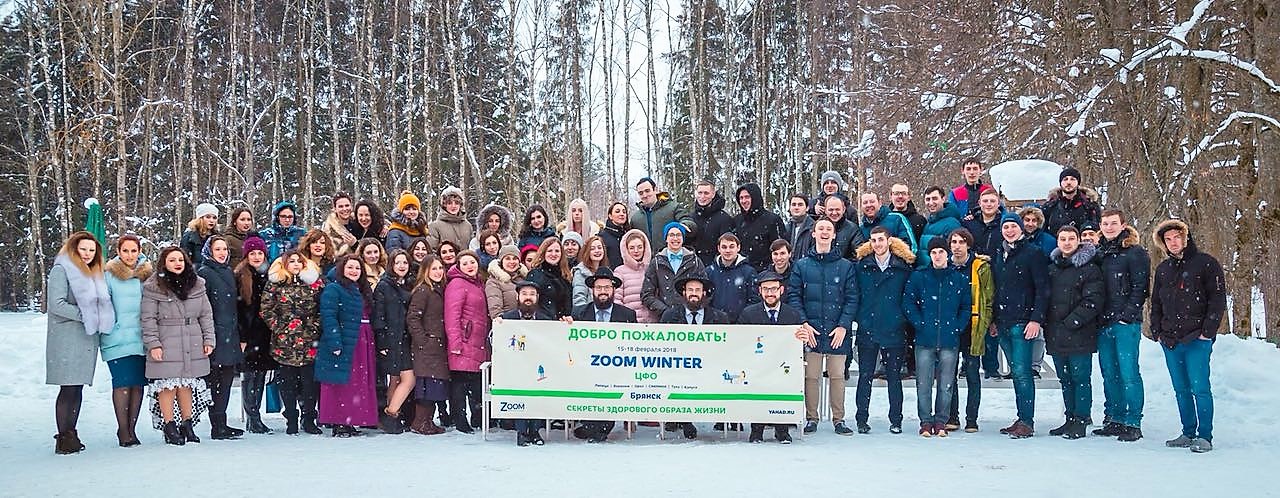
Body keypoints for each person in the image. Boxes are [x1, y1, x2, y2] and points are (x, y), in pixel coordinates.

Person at [1150, 219, 1225, 453]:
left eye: (1176, 237)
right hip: (1170, 339)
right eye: (1168, 239)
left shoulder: (1205, 264)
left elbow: (1217, 299)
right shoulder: (1163, 269)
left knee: (1200, 387)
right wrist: (1158, 332)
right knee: (1180, 388)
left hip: (1197, 338)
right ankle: (1188, 431)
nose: (1173, 243)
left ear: (1185, 237)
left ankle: (1205, 435)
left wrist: (1207, 332)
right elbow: (1156, 303)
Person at [788, 219, 858, 435]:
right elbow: (794, 295)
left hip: (837, 331)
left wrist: (844, 325)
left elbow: (852, 297)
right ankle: (811, 417)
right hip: (812, 331)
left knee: (837, 376)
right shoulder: (802, 265)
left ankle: (839, 419)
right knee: (811, 376)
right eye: (821, 229)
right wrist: (804, 323)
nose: (825, 232)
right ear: (814, 234)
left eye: (829, 229)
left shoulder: (846, 266)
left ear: (834, 235)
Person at [47, 231, 114, 454]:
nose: (87, 254)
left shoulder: (93, 273)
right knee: (67, 388)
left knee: (77, 388)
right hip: (67, 337)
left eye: (91, 250)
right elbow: (56, 304)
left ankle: (71, 432)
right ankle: (63, 436)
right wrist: (86, 314)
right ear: (74, 249)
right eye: (83, 249)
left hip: (85, 338)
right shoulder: (61, 270)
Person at [141, 246, 215, 446]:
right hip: (167, 338)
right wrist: (153, 344)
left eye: (180, 260)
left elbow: (206, 315)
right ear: (164, 263)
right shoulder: (153, 286)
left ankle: (187, 423)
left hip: (192, 338)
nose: (177, 264)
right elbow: (148, 319)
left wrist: (209, 339)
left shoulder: (197, 285)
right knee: (168, 385)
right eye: (172, 260)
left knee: (186, 384)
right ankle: (169, 424)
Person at [903, 237, 970, 437]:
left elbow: (966, 306)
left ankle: (941, 420)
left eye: (941, 252)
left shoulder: (958, 278)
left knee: (946, 384)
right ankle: (925, 421)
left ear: (947, 254)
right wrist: (919, 323)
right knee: (923, 384)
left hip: (949, 339)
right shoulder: (919, 276)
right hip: (925, 339)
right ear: (929, 255)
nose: (937, 256)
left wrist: (957, 326)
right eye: (934, 252)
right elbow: (909, 303)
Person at [992, 212, 1051, 439]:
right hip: (1004, 321)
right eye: (1005, 227)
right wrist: (994, 320)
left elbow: (1042, 289)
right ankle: (1021, 417)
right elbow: (997, 289)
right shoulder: (999, 254)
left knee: (1022, 371)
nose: (1009, 230)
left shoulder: (1032, 253)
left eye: (1013, 227)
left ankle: (1027, 420)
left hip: (1024, 321)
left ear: (1021, 229)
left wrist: (1036, 319)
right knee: (1016, 373)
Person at [852, 227, 915, 434]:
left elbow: (908, 298)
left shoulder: (902, 268)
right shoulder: (862, 267)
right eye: (873, 240)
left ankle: (896, 419)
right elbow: (856, 295)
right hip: (868, 328)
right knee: (865, 376)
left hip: (893, 329)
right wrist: (861, 317)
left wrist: (900, 319)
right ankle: (862, 418)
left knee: (894, 377)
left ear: (889, 241)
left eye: (881, 240)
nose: (877, 244)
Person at [1093, 210, 1150, 441]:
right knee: (1109, 372)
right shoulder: (1099, 253)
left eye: (1113, 223)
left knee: (1128, 372)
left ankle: (1133, 421)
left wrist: (1127, 315)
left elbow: (1140, 288)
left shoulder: (1134, 252)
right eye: (1105, 223)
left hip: (1126, 322)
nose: (1109, 227)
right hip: (1103, 321)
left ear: (1123, 225)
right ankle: (1114, 418)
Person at [1045, 226, 1104, 440]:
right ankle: (1069, 418)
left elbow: (1093, 300)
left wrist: (1072, 321)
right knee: (1065, 379)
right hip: (1056, 332)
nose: (1067, 242)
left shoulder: (1089, 268)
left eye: (1071, 239)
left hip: (1079, 332)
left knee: (1080, 378)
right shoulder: (1052, 268)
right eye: (1063, 239)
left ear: (1079, 241)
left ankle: (1081, 419)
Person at [259, 250, 323, 435]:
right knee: (287, 383)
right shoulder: (275, 284)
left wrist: (313, 327)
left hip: (309, 342)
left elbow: (322, 308)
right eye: (291, 261)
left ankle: (309, 417)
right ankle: (291, 418)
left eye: (299, 261)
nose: (295, 264)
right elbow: (266, 309)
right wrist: (280, 327)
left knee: (309, 383)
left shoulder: (314, 284)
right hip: (284, 343)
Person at [571, 268, 638, 443]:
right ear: (592, 290)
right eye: (599, 287)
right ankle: (592, 427)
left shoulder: (627, 315)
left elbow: (634, 346)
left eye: (607, 287)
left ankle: (598, 429)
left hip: (616, 371)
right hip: (586, 369)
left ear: (613, 289)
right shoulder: (579, 313)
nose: (603, 291)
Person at [659, 275, 728, 439]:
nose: (694, 294)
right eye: (690, 290)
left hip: (711, 370)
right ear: (683, 292)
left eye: (698, 290)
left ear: (704, 293)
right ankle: (682, 419)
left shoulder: (720, 319)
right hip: (678, 372)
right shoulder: (670, 317)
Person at [317, 255, 379, 437]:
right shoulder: (334, 289)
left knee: (357, 382)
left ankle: (352, 419)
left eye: (357, 268)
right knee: (341, 382)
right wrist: (335, 342)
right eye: (350, 267)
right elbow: (329, 317)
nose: (354, 271)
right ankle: (338, 422)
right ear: (342, 269)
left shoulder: (361, 289)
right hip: (345, 339)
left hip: (363, 339)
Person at [737, 271, 802, 444]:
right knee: (758, 392)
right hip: (757, 366)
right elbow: (741, 341)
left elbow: (796, 344)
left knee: (782, 391)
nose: (770, 293)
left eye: (773, 289)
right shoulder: (748, 314)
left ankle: (782, 431)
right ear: (760, 291)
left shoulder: (793, 315)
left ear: (781, 290)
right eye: (765, 289)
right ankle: (756, 431)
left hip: (783, 365)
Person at [101, 234, 150, 448]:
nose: (130, 255)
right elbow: (102, 305)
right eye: (125, 251)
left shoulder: (146, 274)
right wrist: (112, 326)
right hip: (117, 337)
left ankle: (132, 427)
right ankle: (123, 429)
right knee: (122, 384)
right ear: (118, 252)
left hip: (141, 338)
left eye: (133, 250)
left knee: (138, 385)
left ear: (139, 251)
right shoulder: (109, 275)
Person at [496, 280, 556, 446]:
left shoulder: (546, 320)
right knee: (520, 392)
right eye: (524, 294)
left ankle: (535, 431)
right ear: (517, 296)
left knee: (539, 392)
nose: (528, 298)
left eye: (532, 294)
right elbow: (493, 342)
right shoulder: (506, 319)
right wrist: (498, 328)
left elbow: (554, 344)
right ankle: (522, 432)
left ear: (537, 297)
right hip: (514, 369)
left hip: (539, 369)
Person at [945, 228, 993, 433]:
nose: (957, 246)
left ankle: (971, 418)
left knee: (972, 373)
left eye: (961, 242)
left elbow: (988, 298)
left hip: (973, 327)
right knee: (949, 374)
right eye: (953, 242)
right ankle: (951, 415)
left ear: (968, 245)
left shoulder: (980, 267)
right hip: (951, 327)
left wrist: (988, 322)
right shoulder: (944, 265)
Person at [197, 236, 245, 440]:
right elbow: (202, 308)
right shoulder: (204, 273)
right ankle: (216, 424)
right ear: (210, 251)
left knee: (225, 380)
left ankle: (221, 423)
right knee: (215, 381)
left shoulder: (227, 271)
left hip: (230, 334)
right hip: (214, 334)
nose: (222, 252)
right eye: (218, 249)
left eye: (224, 249)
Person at [443, 251, 492, 434]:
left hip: (477, 343)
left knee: (474, 382)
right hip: (463, 342)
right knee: (460, 384)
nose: (470, 266)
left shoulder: (478, 284)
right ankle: (460, 419)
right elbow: (452, 315)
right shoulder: (457, 284)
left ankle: (477, 418)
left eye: (472, 262)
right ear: (458, 266)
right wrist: (455, 343)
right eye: (465, 263)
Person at [235, 235, 278, 434]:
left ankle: (256, 415)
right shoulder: (241, 276)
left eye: (260, 253)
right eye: (252, 253)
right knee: (250, 376)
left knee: (260, 375)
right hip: (248, 334)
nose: (257, 256)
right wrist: (242, 336)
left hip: (265, 333)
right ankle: (252, 416)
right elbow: (239, 309)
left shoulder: (270, 275)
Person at [372, 249, 416, 435]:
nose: (401, 266)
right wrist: (381, 342)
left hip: (405, 338)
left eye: (405, 263)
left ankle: (391, 417)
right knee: (408, 379)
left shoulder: (408, 284)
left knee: (397, 379)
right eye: (398, 263)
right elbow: (378, 315)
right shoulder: (384, 285)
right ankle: (390, 414)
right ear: (391, 264)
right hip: (391, 338)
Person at [406, 255, 451, 435]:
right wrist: (423, 340)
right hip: (427, 346)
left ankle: (428, 421)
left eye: (440, 268)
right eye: (434, 268)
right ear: (425, 271)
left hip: (437, 345)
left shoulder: (438, 289)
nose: (438, 272)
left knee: (434, 386)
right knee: (427, 386)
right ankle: (420, 422)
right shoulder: (423, 291)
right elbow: (413, 317)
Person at [641, 222, 707, 318]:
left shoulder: (694, 261)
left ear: (683, 238)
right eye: (671, 235)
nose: (675, 238)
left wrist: (691, 309)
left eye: (678, 235)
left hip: (690, 317)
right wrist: (665, 311)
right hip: (665, 318)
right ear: (666, 238)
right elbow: (646, 294)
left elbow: (705, 290)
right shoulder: (656, 262)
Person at [630, 177, 697, 248]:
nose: (645, 195)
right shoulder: (635, 219)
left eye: (647, 191)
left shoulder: (673, 207)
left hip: (669, 256)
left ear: (655, 190)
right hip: (647, 258)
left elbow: (688, 222)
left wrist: (684, 225)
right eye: (641, 193)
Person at [706, 233, 758, 323]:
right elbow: (705, 299)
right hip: (714, 324)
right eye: (724, 247)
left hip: (741, 324)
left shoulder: (749, 272)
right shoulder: (709, 271)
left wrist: (743, 318)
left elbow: (754, 299)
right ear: (719, 249)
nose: (728, 250)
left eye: (731, 246)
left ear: (738, 248)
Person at [733, 183, 784, 271]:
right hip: (741, 272)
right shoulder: (737, 220)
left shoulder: (772, 220)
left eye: (747, 197)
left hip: (766, 273)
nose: (744, 201)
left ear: (755, 197)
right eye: (741, 198)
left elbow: (780, 248)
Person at [1041, 167, 1101, 235]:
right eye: (1065, 179)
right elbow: (1042, 231)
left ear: (1078, 182)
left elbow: (1097, 230)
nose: (1068, 182)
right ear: (1060, 183)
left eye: (1072, 179)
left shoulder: (1090, 205)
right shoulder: (1050, 206)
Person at [615, 229, 656, 323]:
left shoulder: (652, 269)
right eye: (632, 248)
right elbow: (617, 300)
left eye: (640, 247)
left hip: (652, 324)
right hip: (630, 325)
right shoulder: (619, 271)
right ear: (626, 250)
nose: (636, 251)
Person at [689, 179, 734, 266]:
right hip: (694, 266)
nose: (702, 196)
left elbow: (726, 245)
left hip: (716, 267)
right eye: (700, 193)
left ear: (713, 194)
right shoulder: (691, 218)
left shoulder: (724, 218)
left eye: (706, 193)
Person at [526, 238, 574, 318]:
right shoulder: (534, 274)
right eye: (550, 251)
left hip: (560, 324)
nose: (553, 254)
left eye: (557, 251)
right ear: (543, 252)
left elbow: (568, 304)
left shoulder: (565, 277)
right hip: (540, 323)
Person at [915, 186, 962, 266]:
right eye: (928, 199)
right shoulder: (928, 223)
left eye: (934, 198)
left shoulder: (952, 224)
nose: (931, 202)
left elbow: (954, 253)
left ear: (943, 199)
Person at [485, 245, 526, 319]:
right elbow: (495, 311)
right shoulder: (494, 282)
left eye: (515, 259)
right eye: (507, 259)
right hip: (507, 324)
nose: (512, 262)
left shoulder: (524, 280)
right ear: (501, 261)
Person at [962, 188, 1005, 256]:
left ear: (999, 203)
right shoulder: (968, 224)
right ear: (979, 203)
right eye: (985, 201)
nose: (989, 204)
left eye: (992, 201)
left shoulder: (1004, 225)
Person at [571, 236, 611, 309]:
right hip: (587, 315)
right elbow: (579, 298)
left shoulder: (607, 271)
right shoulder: (580, 272)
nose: (597, 251)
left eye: (599, 248)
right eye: (592, 249)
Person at [822, 195, 862, 260]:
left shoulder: (852, 229)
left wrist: (843, 266)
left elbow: (858, 254)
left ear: (843, 210)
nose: (834, 213)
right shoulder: (818, 228)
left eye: (837, 209)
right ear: (825, 210)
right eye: (831, 210)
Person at [889, 184, 926, 248]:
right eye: (896, 193)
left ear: (909, 197)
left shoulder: (920, 220)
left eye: (904, 193)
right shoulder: (885, 220)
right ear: (890, 197)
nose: (900, 196)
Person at [599, 202, 630, 270]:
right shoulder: (602, 236)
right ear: (610, 216)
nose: (621, 214)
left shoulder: (629, 235)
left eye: (624, 212)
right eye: (617, 211)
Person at [784, 194, 814, 258]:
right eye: (793, 204)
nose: (796, 207)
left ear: (807, 208)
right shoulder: (786, 228)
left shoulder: (814, 228)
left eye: (800, 205)